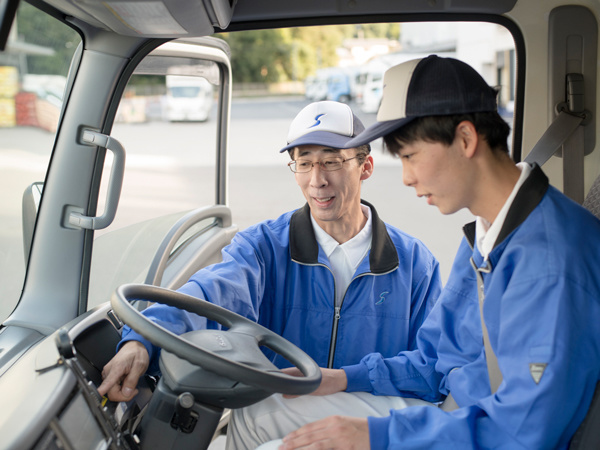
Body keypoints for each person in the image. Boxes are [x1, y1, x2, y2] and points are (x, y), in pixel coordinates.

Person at [270, 55, 600, 449]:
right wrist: (342, 377)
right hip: (453, 417)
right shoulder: (486, 233)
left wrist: (381, 437)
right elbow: (435, 360)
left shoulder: (550, 263)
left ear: (465, 139)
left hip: (473, 432)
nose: (407, 178)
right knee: (263, 410)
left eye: (410, 156)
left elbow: (521, 433)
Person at [97, 101, 442, 419]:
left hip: (369, 415)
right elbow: (209, 293)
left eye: (331, 162)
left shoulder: (414, 264)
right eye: (304, 163)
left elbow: (433, 366)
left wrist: (345, 379)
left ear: (365, 167)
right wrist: (141, 339)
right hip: (289, 410)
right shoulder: (263, 247)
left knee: (255, 418)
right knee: (256, 411)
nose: (317, 180)